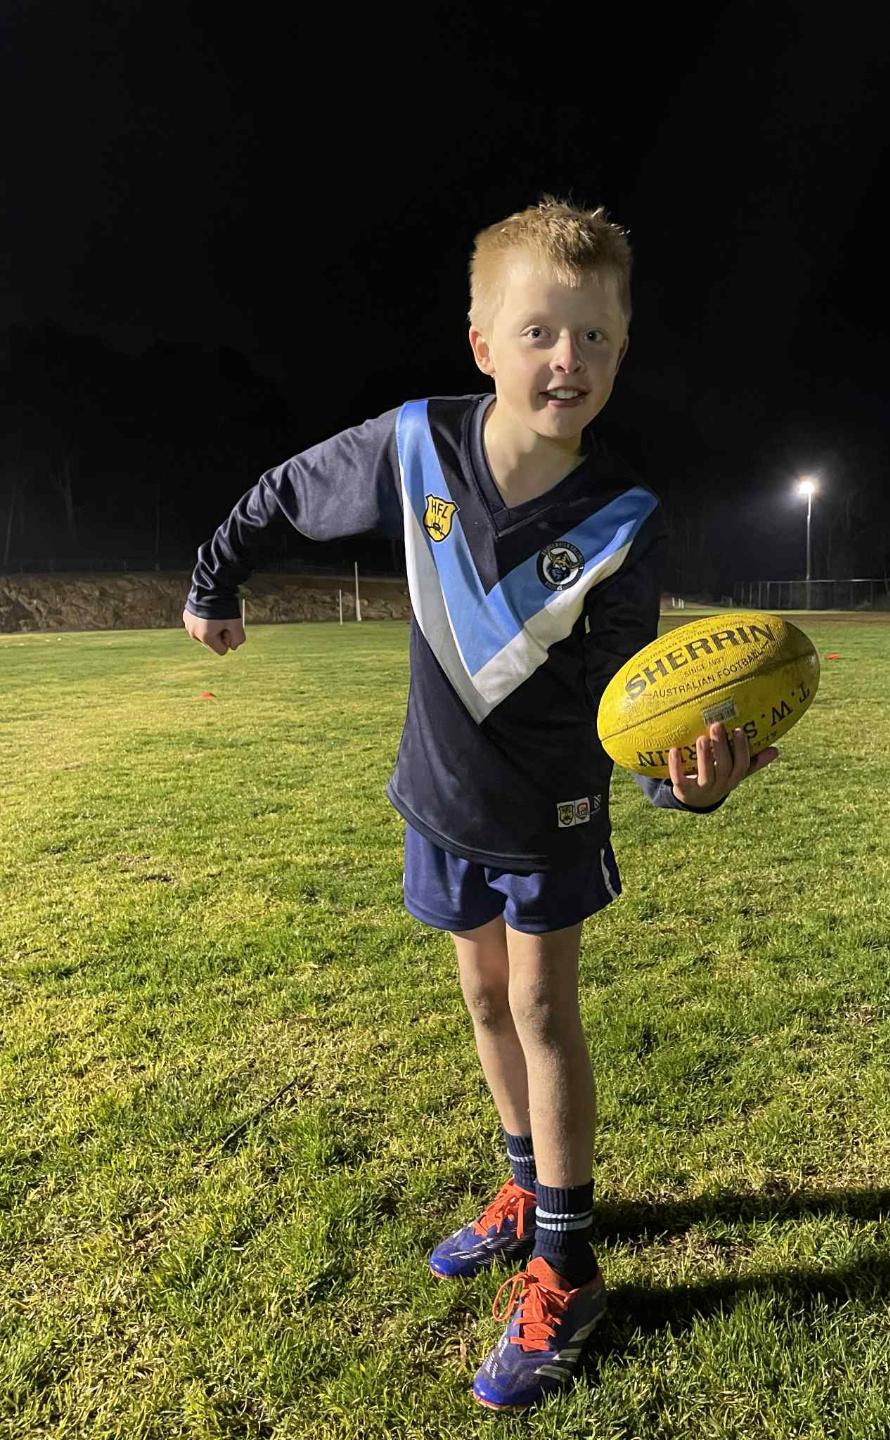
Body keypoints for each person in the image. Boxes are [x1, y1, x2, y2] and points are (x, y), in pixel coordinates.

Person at [183, 195, 777, 1412]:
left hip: (549, 812)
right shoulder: (415, 446)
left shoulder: (624, 517)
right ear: (482, 344)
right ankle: (522, 1184)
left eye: (597, 336)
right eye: (540, 331)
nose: (569, 359)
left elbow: (630, 699)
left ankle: (567, 1261)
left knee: (542, 1009)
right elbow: (285, 491)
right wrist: (215, 581)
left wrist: (681, 787)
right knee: (482, 997)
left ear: (623, 350)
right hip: (439, 796)